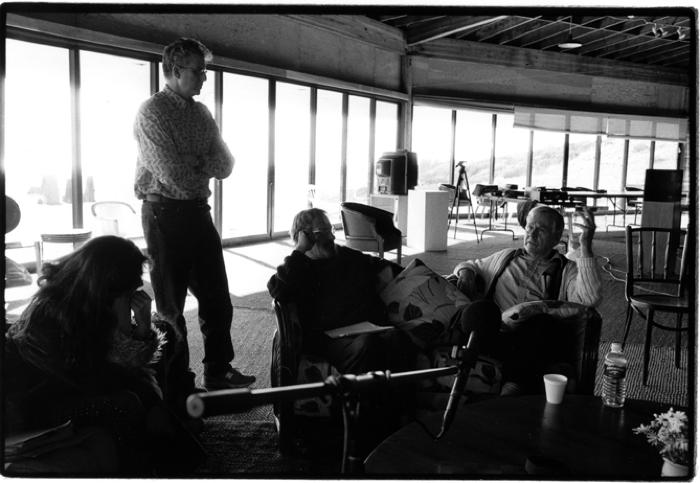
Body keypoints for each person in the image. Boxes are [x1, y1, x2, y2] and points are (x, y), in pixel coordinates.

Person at [4, 236, 205, 475]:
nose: (133, 293)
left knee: (164, 333)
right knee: (130, 399)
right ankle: (157, 448)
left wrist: (141, 327)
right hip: (49, 399)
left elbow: (107, 360)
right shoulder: (55, 311)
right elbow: (95, 372)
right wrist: (127, 324)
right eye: (128, 291)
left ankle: (169, 423)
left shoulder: (89, 297)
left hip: (82, 378)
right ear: (110, 284)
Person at [133, 37, 254, 401]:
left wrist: (196, 165)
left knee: (218, 298)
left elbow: (227, 165)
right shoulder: (151, 112)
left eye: (205, 70)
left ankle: (218, 372)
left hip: (198, 213)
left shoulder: (201, 113)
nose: (204, 78)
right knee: (171, 306)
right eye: (197, 71)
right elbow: (172, 174)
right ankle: (178, 381)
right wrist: (201, 165)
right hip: (164, 214)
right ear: (172, 71)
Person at [451, 205, 601, 394]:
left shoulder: (566, 269)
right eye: (530, 227)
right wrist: (465, 273)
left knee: (543, 323)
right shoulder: (506, 257)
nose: (532, 234)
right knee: (479, 310)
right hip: (494, 335)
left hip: (528, 342)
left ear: (556, 238)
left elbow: (589, 299)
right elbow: (471, 265)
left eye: (541, 230)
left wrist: (585, 248)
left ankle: (514, 385)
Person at [267, 208, 417, 374]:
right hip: (330, 340)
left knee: (398, 338)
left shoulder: (345, 256)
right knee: (369, 345)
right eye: (323, 232)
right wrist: (299, 251)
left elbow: (383, 266)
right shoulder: (298, 268)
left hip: (368, 329)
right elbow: (277, 288)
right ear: (305, 237)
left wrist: (418, 275)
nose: (331, 237)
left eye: (331, 230)